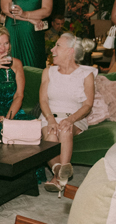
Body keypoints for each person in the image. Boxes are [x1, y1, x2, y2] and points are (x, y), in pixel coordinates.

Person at [38, 33, 97, 195]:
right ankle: (61, 174)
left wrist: (70, 120)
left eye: (57, 46)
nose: (52, 49)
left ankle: (57, 177)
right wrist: (50, 119)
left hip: (75, 118)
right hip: (49, 116)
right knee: (51, 134)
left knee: (65, 129)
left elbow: (88, 105)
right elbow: (43, 100)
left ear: (70, 51)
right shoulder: (48, 72)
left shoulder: (86, 74)